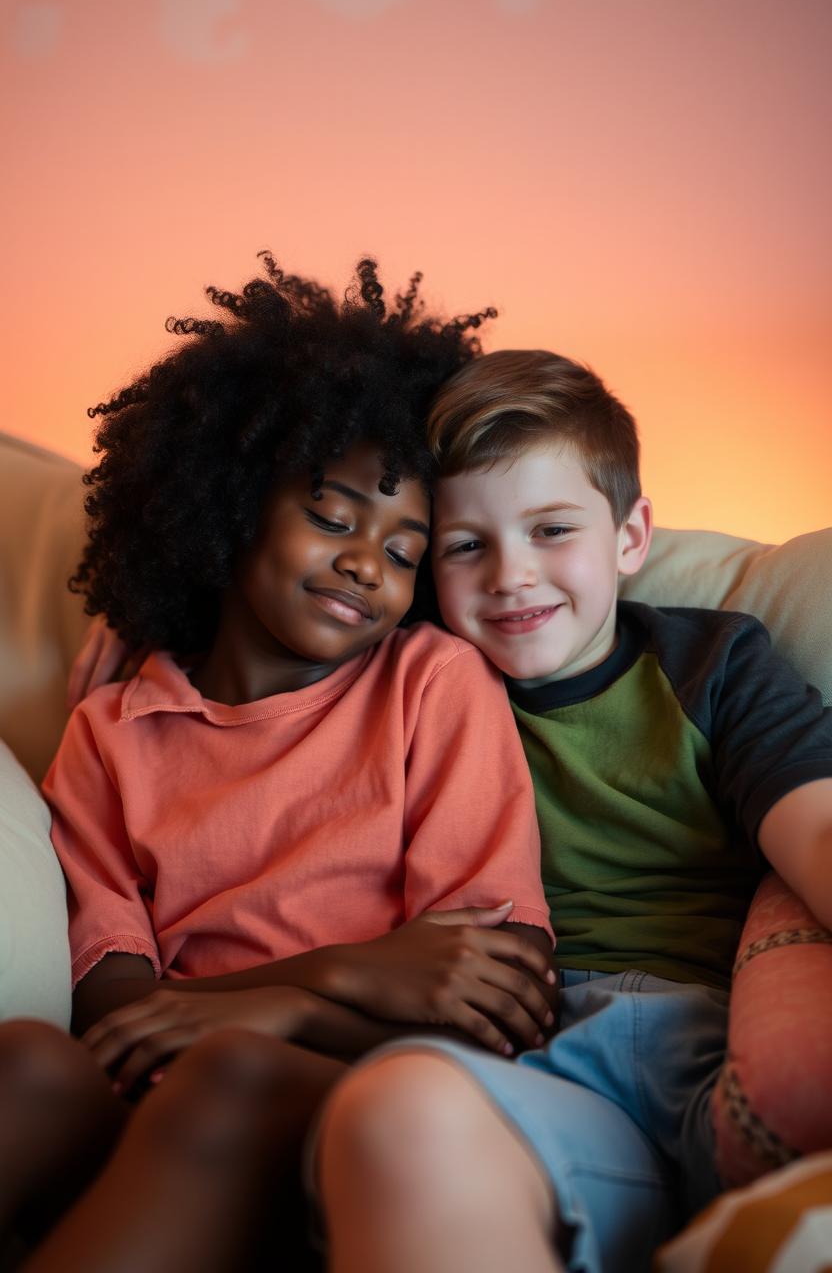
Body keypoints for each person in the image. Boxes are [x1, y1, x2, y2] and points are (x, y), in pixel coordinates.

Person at [0, 270, 558, 1272]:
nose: (366, 563)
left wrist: (282, 1004)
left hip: (326, 1084)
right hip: (156, 1078)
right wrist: (343, 968)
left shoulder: (432, 685)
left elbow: (487, 1000)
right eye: (333, 514)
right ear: (230, 499)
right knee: (27, 1061)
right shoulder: (114, 729)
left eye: (405, 547)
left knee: (233, 1072)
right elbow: (112, 1002)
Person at [315, 349, 832, 1273]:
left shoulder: (711, 665)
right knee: (396, 1111)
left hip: (693, 1042)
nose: (512, 576)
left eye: (552, 530)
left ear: (631, 536)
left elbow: (818, 830)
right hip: (506, 1048)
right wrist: (161, 606)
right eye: (467, 546)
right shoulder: (408, 675)